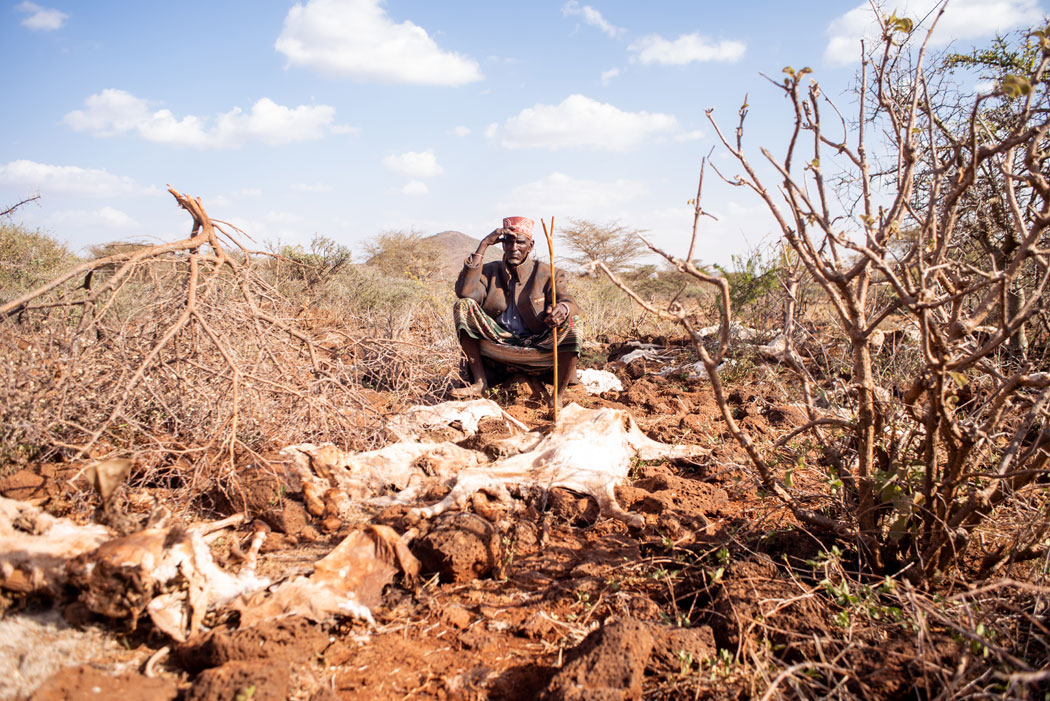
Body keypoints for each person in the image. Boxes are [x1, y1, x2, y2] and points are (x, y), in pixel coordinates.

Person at [451, 216, 579, 402]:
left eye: (520, 242)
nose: (514, 248)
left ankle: (557, 397)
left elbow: (569, 301)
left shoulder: (548, 273)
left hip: (538, 345)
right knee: (463, 306)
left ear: (531, 245)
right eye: (509, 242)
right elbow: (465, 293)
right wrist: (484, 244)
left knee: (574, 322)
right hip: (497, 343)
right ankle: (480, 383)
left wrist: (563, 309)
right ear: (502, 245)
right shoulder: (489, 271)